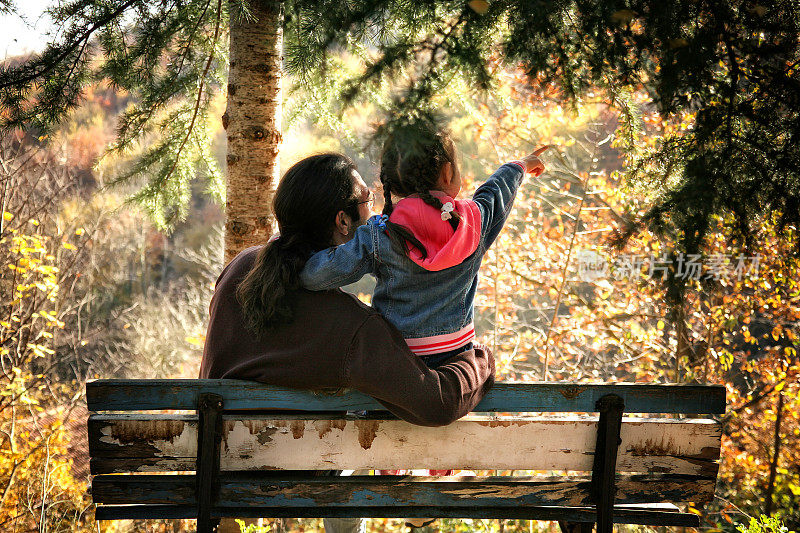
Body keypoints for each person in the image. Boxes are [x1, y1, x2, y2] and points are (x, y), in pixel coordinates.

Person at [199, 153, 496, 533]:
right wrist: (480, 359)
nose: (378, 216)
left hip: (219, 465)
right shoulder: (350, 325)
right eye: (368, 203)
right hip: (299, 472)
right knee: (361, 433)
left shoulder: (240, 269)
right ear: (342, 221)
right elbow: (437, 401)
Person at [300, 122, 548, 368]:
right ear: (448, 173)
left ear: (391, 181)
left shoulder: (379, 234)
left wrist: (288, 253)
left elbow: (317, 276)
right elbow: (496, 191)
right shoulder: (474, 223)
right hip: (455, 358)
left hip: (396, 359)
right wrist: (520, 166)